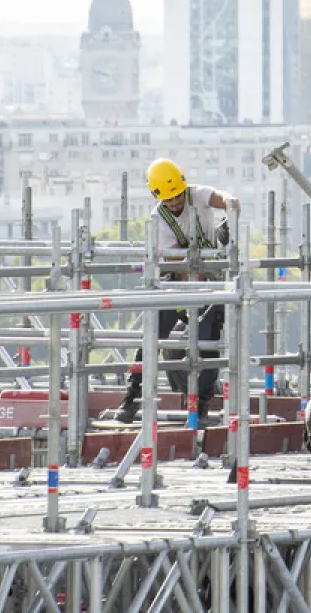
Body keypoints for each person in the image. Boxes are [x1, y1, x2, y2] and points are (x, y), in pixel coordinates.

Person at [115, 158, 240, 424]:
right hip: (176, 281)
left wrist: (231, 209)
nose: (175, 203)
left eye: (177, 196)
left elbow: (225, 199)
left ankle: (202, 404)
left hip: (209, 283)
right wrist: (202, 267)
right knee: (152, 337)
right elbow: (177, 263)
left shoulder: (198, 195)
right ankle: (132, 395)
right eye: (168, 199)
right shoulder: (158, 219)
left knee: (208, 341)